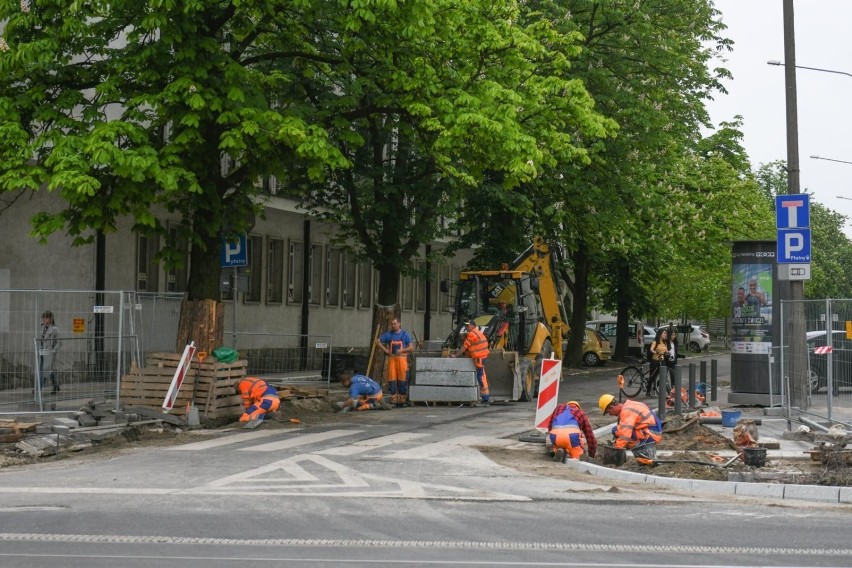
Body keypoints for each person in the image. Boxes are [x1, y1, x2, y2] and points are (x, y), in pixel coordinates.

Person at [598, 394, 663, 462]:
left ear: (612, 407)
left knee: (621, 435)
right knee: (616, 430)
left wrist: (617, 449)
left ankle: (639, 446)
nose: (610, 414)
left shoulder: (627, 412)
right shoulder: (629, 404)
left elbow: (625, 435)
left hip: (651, 435)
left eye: (608, 412)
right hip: (652, 429)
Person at [451, 320, 491, 406]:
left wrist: (456, 355)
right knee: (482, 376)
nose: (466, 327)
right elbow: (475, 345)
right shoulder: (478, 333)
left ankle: (486, 399)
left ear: (473, 326)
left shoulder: (472, 334)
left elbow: (464, 347)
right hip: (482, 356)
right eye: (465, 326)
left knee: (480, 377)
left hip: (479, 358)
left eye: (468, 326)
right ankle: (485, 397)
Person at [376, 318, 414, 406]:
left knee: (403, 380)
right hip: (392, 361)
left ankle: (402, 400)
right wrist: (386, 350)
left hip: (402, 361)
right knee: (392, 379)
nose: (393, 325)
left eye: (395, 324)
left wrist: (402, 350)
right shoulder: (389, 335)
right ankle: (394, 399)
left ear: (399, 324)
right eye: (392, 324)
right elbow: (377, 341)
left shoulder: (405, 334)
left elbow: (411, 347)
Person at [38, 310, 61, 394]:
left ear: (51, 319)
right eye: (43, 318)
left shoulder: (55, 329)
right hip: (42, 351)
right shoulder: (42, 328)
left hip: (50, 352)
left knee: (44, 370)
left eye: (46, 318)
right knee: (47, 370)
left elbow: (59, 342)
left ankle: (39, 388)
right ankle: (56, 385)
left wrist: (53, 351)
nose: (44, 320)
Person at [646, 328, 670, 397]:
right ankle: (648, 390)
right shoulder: (655, 342)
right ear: (660, 334)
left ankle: (655, 388)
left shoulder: (664, 343)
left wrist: (668, 353)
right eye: (664, 333)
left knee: (664, 376)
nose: (665, 334)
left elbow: (666, 351)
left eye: (666, 333)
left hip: (662, 361)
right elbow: (651, 349)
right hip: (655, 361)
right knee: (652, 376)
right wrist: (654, 351)